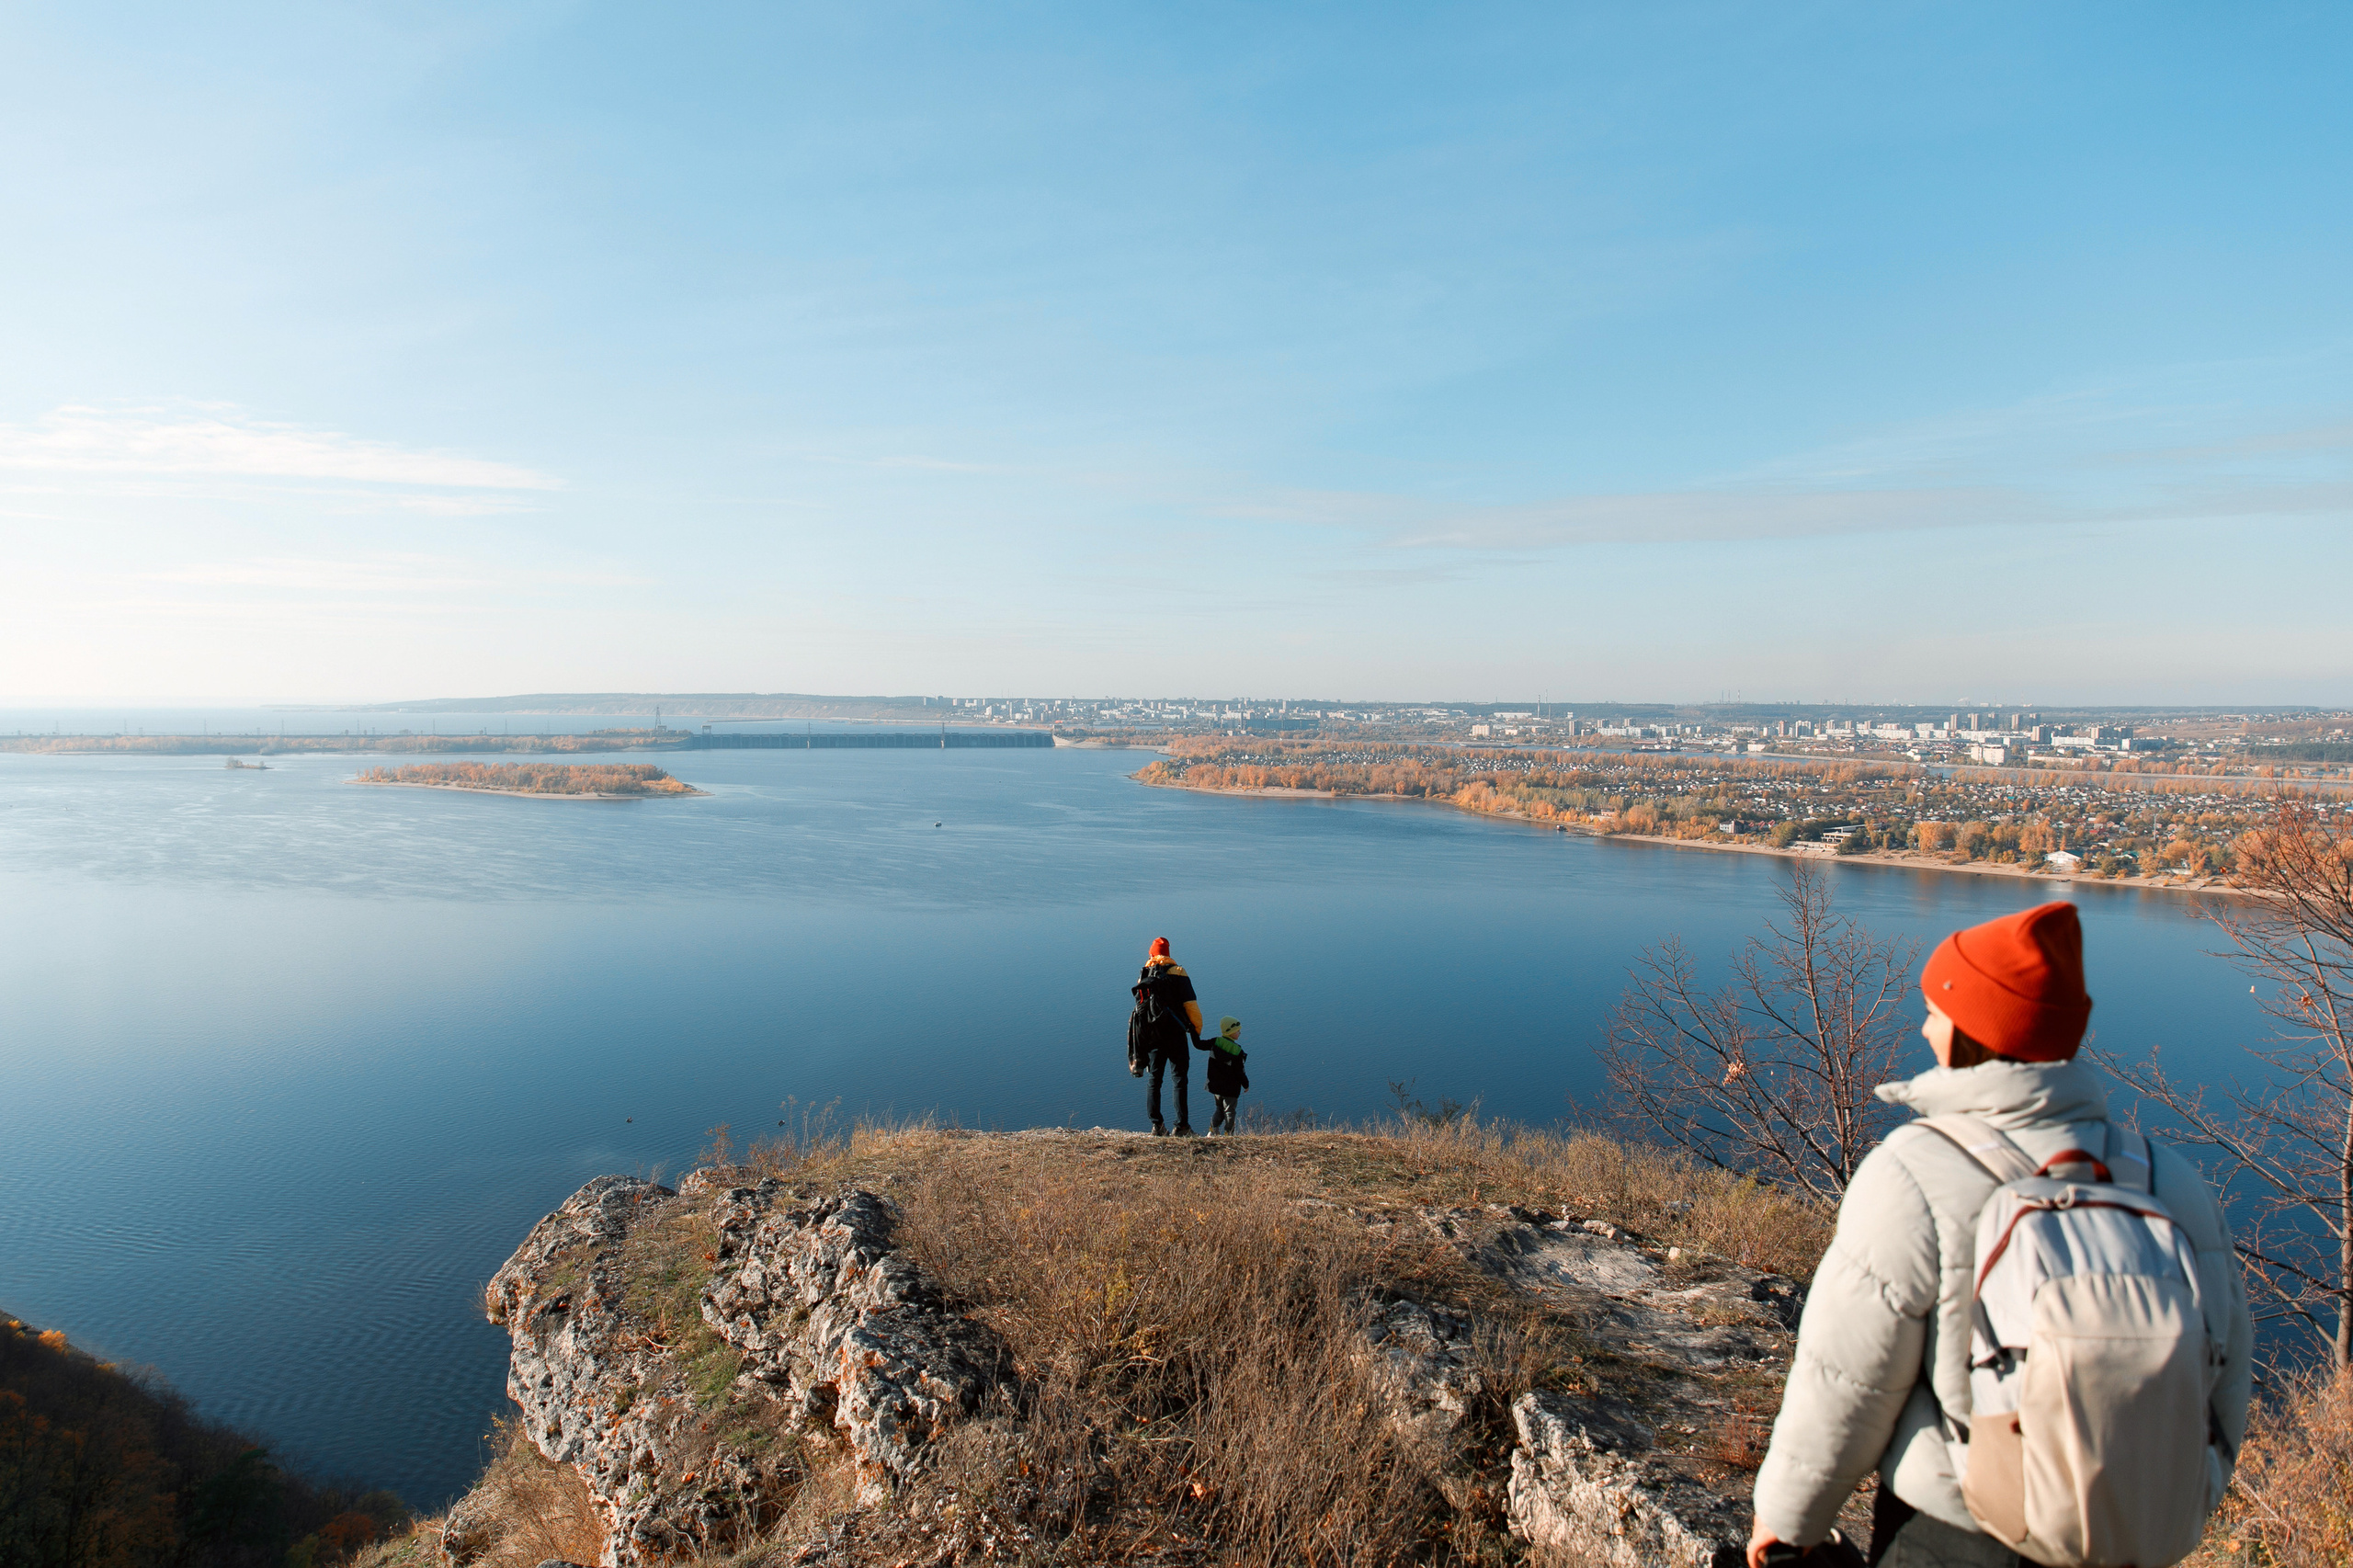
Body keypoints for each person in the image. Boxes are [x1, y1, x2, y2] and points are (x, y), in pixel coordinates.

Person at [1746, 902, 2251, 1568]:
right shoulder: (2169, 1181)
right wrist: (2172, 1503)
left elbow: (1847, 1377)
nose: (1925, 1029)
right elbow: (2223, 1379)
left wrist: (1787, 1521)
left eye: (1936, 1011)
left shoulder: (1918, 1168)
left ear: (1975, 1027)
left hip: (1958, 1532)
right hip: (2129, 1535)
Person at [1135, 937, 1202, 1136]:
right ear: (1168, 953)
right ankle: (1182, 1126)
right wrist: (1196, 1032)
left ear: (1151, 953)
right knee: (1179, 1079)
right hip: (1176, 1034)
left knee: (1154, 1079)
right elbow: (1191, 1005)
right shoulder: (1179, 972)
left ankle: (1157, 1125)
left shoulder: (1144, 975)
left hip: (1153, 1036)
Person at [1202, 1015, 1250, 1134]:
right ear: (1231, 1032)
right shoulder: (1237, 1051)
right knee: (1229, 1111)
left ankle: (1212, 1131)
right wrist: (1246, 1084)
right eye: (1238, 1030)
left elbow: (1199, 1044)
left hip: (1217, 1087)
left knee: (1219, 1109)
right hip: (1231, 1089)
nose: (1240, 1033)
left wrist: (1192, 1031)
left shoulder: (1215, 1042)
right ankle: (1228, 1133)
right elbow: (1240, 1072)